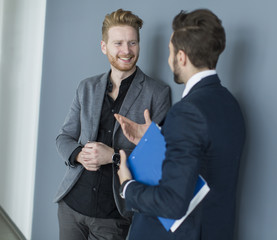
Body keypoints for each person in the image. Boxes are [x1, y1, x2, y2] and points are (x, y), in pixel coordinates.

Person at [115, 9, 245, 240]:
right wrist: (157, 137)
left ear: (181, 57)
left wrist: (127, 186)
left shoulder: (186, 112)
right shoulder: (230, 104)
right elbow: (205, 158)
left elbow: (172, 204)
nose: (169, 59)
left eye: (170, 52)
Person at [54, 8, 171, 240]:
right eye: (118, 43)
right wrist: (79, 154)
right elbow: (63, 137)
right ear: (104, 46)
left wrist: (114, 157)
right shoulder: (85, 87)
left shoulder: (158, 93)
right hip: (71, 206)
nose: (126, 51)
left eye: (133, 43)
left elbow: (159, 160)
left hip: (114, 215)